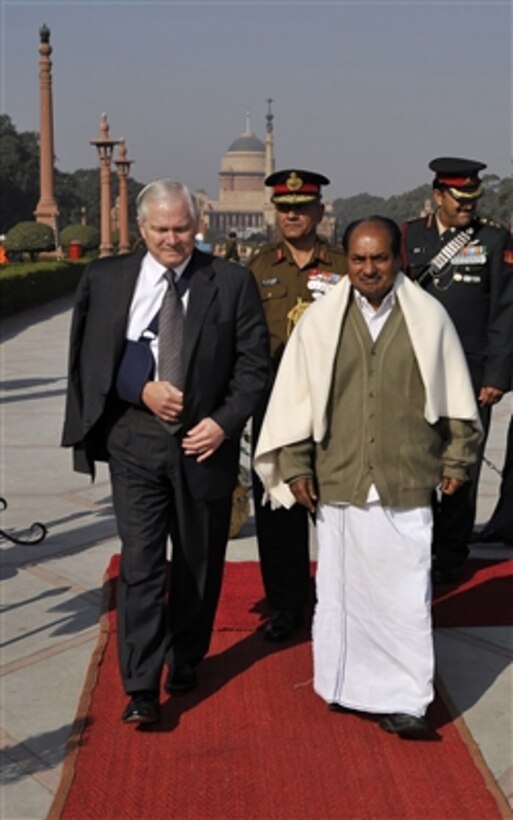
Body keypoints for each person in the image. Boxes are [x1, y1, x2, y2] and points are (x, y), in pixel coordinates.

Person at [254, 217, 482, 738]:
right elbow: (296, 401)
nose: (369, 269)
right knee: (343, 594)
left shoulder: (429, 318)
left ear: (398, 257)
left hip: (405, 478)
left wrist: (457, 462)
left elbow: (457, 404)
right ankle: (347, 686)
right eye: (358, 259)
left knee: (404, 596)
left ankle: (406, 698)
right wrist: (294, 465)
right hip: (341, 479)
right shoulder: (321, 322)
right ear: (347, 261)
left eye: (379, 258)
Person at [62, 180, 270, 725]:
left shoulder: (230, 282)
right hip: (135, 441)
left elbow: (253, 368)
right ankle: (140, 686)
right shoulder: (107, 281)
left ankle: (186, 655)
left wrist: (223, 425)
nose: (173, 240)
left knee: (198, 563)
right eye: (161, 230)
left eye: (182, 228)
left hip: (205, 444)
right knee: (142, 562)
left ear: (197, 225)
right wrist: (141, 390)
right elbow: (90, 360)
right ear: (142, 228)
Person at [401, 157, 513, 584]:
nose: (467, 205)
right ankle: (418, 541)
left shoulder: (493, 237)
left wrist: (497, 376)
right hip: (416, 370)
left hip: (471, 370)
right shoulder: (410, 236)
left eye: (472, 197)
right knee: (417, 459)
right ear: (438, 195)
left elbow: (505, 312)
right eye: (459, 198)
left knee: (462, 463)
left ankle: (450, 551)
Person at [247, 169, 346, 642]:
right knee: (277, 508)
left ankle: (342, 601)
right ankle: (286, 604)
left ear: (319, 211)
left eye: (302, 207)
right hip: (275, 404)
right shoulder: (258, 266)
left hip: (336, 405)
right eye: (284, 208)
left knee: (337, 508)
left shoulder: (346, 266)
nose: (292, 215)